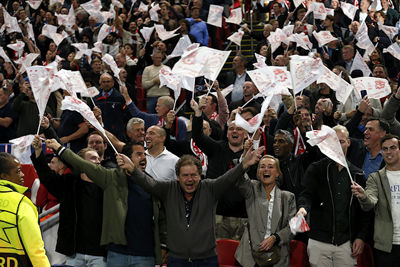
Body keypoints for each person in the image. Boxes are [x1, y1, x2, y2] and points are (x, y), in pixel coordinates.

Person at [116, 147, 264, 266]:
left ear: (200, 175)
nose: (189, 179)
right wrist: (133, 170)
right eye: (185, 175)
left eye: (194, 175)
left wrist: (244, 164)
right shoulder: (168, 189)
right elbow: (149, 183)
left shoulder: (210, 188)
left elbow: (228, 178)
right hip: (176, 260)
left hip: (207, 260)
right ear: (178, 177)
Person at [297, 125, 372, 267]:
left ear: (348, 143)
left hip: (346, 242)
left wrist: (361, 237)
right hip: (319, 240)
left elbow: (364, 211)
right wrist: (302, 208)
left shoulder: (358, 174)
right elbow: (306, 194)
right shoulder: (316, 169)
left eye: (341, 141)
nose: (337, 145)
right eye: (333, 141)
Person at [235, 154, 296, 267]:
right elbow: (240, 177)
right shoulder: (251, 188)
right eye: (262, 166)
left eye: (270, 166)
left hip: (277, 258)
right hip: (250, 258)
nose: (266, 169)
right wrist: (244, 160)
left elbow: (292, 227)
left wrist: (275, 237)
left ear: (277, 173)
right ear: (258, 172)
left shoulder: (288, 197)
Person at [352, 134, 400, 267]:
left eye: (393, 148)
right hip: (385, 244)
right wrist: (363, 196)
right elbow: (370, 202)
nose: (388, 152)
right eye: (384, 149)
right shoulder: (375, 178)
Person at [0, 152, 50, 267]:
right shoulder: (22, 203)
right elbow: (36, 250)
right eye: (18, 171)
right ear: (3, 176)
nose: (22, 175)